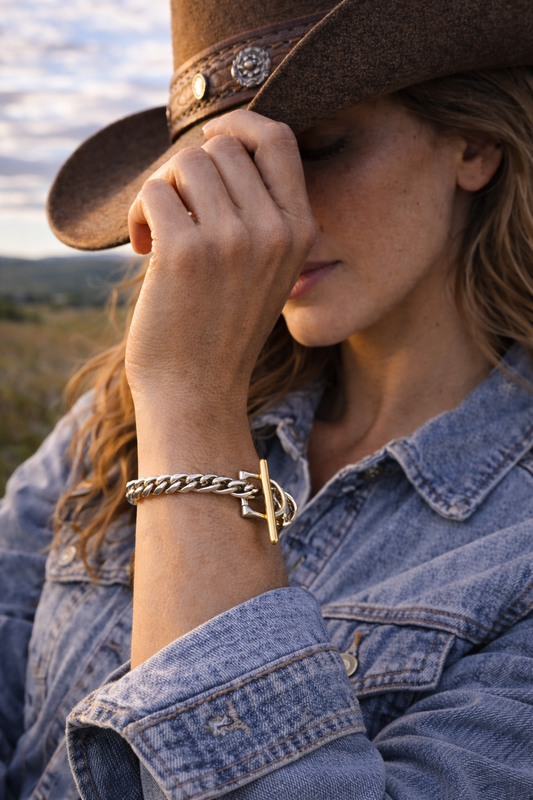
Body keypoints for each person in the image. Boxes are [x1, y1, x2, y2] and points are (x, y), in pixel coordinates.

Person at [3, 0, 533, 797]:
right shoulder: (114, 420)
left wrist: (191, 399)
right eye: (218, 175)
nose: (263, 219)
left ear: (474, 143)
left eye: (313, 150)